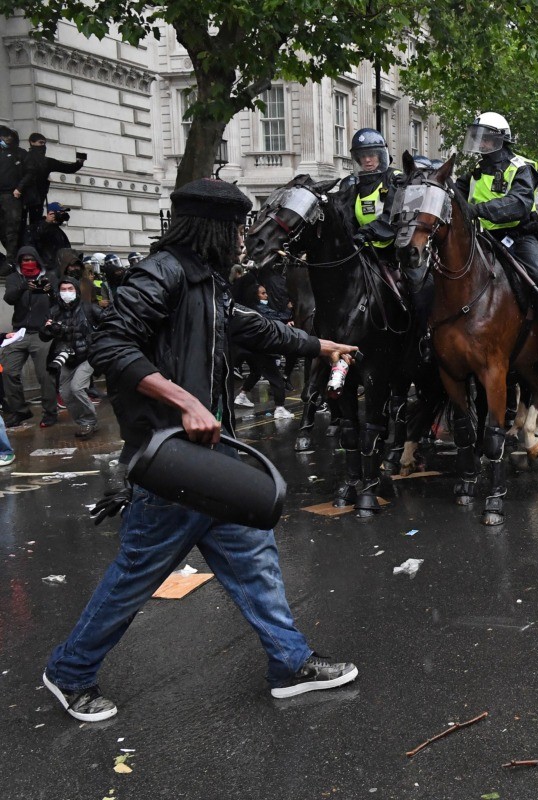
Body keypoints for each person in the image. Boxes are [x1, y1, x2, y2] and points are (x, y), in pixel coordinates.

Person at [42, 178, 361, 722]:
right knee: (136, 575)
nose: (244, 238)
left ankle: (290, 663)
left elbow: (251, 327)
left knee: (253, 557)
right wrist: (185, 401)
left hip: (206, 458)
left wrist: (319, 345)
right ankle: (70, 672)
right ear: (213, 226)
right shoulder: (162, 272)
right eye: (237, 227)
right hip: (172, 459)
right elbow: (111, 342)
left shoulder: (204, 281)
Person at [456, 112, 538, 364]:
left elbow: (518, 203)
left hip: (517, 236)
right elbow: (456, 197)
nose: (480, 144)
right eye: (477, 138)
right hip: (481, 236)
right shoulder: (474, 172)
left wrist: (478, 210)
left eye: (485, 139)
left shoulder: (521, 167)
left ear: (500, 140)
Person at [2, 246, 59, 427]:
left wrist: (50, 291)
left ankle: (50, 412)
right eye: (24, 260)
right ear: (19, 261)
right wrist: (23, 287)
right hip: (19, 332)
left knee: (44, 375)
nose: (28, 262)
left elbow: (59, 301)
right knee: (9, 372)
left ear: (37, 259)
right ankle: (20, 411)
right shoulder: (14, 278)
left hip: (41, 333)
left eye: (31, 259)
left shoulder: (49, 276)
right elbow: (9, 298)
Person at [39, 276, 100, 438]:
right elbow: (44, 336)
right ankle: (83, 423)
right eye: (63, 290)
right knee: (65, 393)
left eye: (70, 289)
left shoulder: (88, 308)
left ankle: (90, 421)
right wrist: (48, 329)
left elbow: (108, 324)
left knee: (77, 387)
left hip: (88, 355)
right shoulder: (54, 311)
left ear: (77, 291)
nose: (67, 293)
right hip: (66, 357)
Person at [342, 128, 407, 266]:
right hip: (362, 245)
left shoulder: (394, 178)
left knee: (413, 281)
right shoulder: (353, 183)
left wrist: (366, 232)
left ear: (380, 155)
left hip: (394, 248)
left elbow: (392, 217)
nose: (367, 160)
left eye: (371, 155)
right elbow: (346, 216)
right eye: (362, 155)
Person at [234, 285, 294, 418]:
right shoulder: (260, 309)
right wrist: (289, 310)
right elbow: (276, 317)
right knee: (276, 378)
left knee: (256, 372)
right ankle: (279, 408)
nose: (266, 296)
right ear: (256, 296)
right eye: (263, 293)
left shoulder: (248, 308)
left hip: (249, 348)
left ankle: (242, 395)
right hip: (261, 348)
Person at [20, 133, 85, 232]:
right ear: (32, 142)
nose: (43, 146)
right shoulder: (37, 160)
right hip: (28, 197)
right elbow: (68, 168)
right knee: (30, 225)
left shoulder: (28, 158)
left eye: (44, 143)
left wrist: (79, 163)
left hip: (32, 198)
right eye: (40, 142)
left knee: (30, 226)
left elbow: (67, 168)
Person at [0, 126, 28, 264]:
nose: (7, 138)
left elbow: (30, 171)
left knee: (12, 229)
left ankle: (12, 260)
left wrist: (19, 188)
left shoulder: (19, 153)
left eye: (8, 136)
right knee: (3, 229)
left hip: (12, 195)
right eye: (4, 136)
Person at [29, 202, 73, 268]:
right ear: (51, 213)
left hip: (60, 266)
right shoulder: (41, 226)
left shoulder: (59, 230)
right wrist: (47, 222)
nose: (63, 214)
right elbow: (38, 236)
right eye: (61, 212)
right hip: (48, 267)